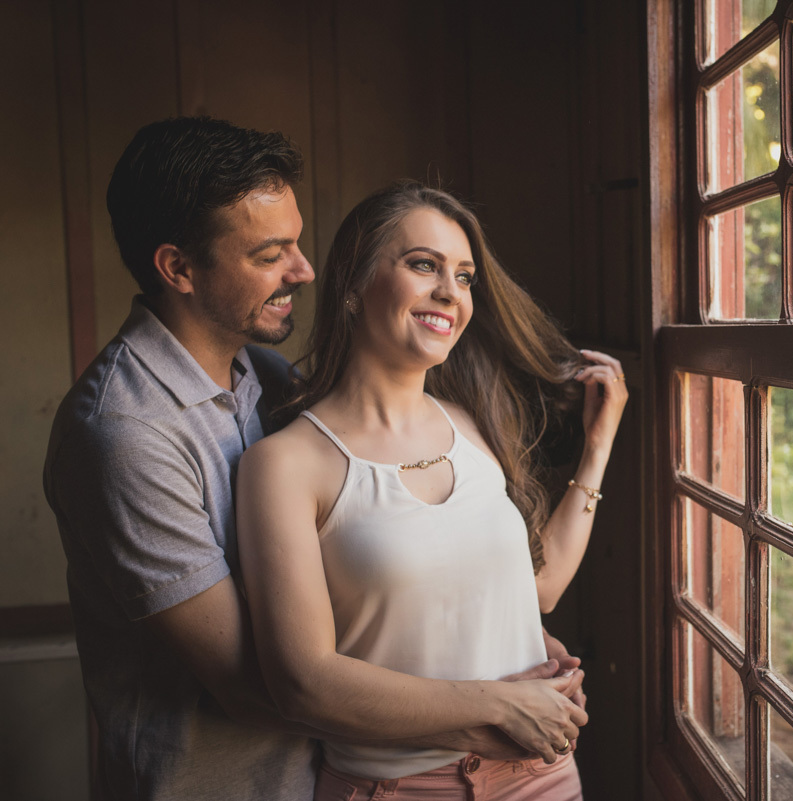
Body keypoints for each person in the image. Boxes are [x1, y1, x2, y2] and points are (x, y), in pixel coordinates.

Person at [43, 117, 584, 801]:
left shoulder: (268, 377)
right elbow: (261, 684)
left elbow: (369, 565)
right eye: (271, 254)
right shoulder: (125, 435)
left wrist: (508, 637)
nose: (304, 270)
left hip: (330, 770)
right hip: (221, 784)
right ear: (178, 268)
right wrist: (493, 704)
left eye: (297, 244)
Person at [235, 181, 628, 800]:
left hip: (543, 776)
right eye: (424, 265)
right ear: (353, 284)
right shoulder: (284, 465)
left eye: (465, 276)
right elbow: (302, 684)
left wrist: (598, 447)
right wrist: (501, 705)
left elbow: (540, 590)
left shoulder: (470, 425)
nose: (451, 291)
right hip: (396, 788)